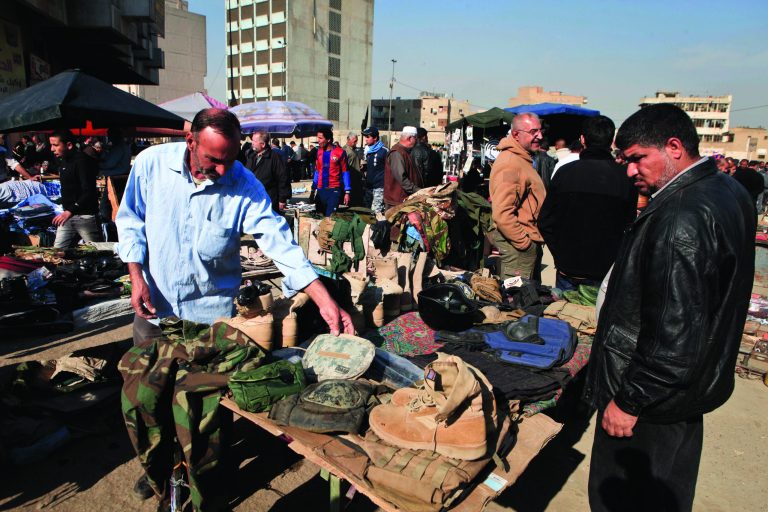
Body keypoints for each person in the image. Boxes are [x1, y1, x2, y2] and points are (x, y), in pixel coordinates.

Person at [584, 104, 755, 512]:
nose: (629, 171)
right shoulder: (727, 189)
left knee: (624, 501)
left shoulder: (681, 216)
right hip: (685, 394)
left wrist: (629, 402)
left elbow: (673, 335)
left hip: (651, 404)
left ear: (674, 147)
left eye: (637, 158)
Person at [116, 108, 353, 346]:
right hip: (156, 313)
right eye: (214, 160)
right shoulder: (151, 165)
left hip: (211, 322)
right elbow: (130, 222)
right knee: (147, 381)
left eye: (229, 161)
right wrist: (136, 277)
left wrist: (324, 300)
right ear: (191, 142)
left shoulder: (244, 184)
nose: (222, 171)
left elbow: (279, 242)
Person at [539, 115, 637, 291]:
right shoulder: (625, 178)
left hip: (569, 270)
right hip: (607, 273)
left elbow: (545, 221)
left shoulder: (565, 173)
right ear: (612, 141)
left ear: (582, 139)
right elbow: (630, 228)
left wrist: (560, 255)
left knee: (565, 316)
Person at [488, 113, 546, 280]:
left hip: (525, 243)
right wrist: (524, 243)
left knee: (527, 300)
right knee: (518, 302)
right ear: (516, 134)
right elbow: (502, 213)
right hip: (519, 247)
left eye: (540, 131)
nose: (539, 136)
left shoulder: (521, 159)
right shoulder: (511, 164)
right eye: (533, 132)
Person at [49, 130, 102, 248]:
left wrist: (70, 210)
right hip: (67, 217)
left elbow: (89, 191)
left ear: (69, 145)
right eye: (51, 145)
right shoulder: (63, 161)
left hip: (85, 217)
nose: (52, 149)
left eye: (56, 145)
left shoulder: (83, 161)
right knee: (57, 255)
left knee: (97, 253)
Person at [244, 130, 291, 211]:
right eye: (252, 140)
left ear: (263, 144)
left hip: (269, 199)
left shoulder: (274, 157)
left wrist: (282, 199)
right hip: (252, 198)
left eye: (254, 141)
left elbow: (282, 178)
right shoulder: (251, 156)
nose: (252, 143)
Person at [309, 128, 350, 216]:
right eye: (317, 138)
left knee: (330, 219)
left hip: (333, 191)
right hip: (320, 190)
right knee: (319, 218)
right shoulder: (319, 152)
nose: (318, 141)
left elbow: (345, 172)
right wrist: (313, 189)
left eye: (320, 138)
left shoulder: (340, 152)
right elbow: (317, 171)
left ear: (328, 139)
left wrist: (347, 192)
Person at [383, 126, 422, 208]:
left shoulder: (405, 151)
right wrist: (417, 190)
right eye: (416, 138)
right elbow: (401, 178)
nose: (417, 141)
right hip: (397, 201)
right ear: (410, 138)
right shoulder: (397, 153)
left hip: (402, 199)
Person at [362, 126, 387, 212]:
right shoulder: (368, 151)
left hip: (379, 187)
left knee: (376, 211)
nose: (366, 139)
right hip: (369, 186)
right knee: (366, 210)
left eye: (368, 137)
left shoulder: (384, 151)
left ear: (375, 138)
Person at [343, 132, 364, 207]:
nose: (356, 143)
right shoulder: (345, 151)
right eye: (354, 141)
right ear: (348, 140)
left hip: (357, 179)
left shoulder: (353, 150)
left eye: (356, 141)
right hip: (351, 180)